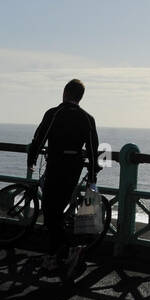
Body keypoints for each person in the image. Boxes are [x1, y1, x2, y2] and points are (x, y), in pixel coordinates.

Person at [27, 79, 102, 274]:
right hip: (74, 167)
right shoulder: (87, 118)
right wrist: (93, 171)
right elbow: (94, 147)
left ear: (65, 92)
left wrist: (32, 159)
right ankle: (56, 254)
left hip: (56, 165)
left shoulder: (54, 113)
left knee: (51, 212)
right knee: (56, 209)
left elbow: (40, 137)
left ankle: (66, 250)